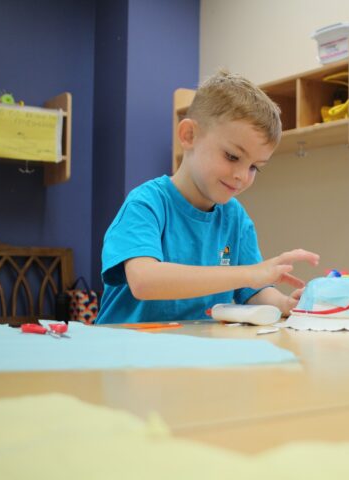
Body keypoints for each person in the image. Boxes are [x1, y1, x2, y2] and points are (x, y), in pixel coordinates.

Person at [95, 70, 320, 324]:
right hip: (125, 353)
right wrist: (249, 273)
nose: (242, 176)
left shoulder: (235, 218)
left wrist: (285, 303)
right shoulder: (147, 204)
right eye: (233, 157)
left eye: (254, 167)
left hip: (192, 352)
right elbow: (144, 281)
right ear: (189, 136)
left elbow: (253, 291)